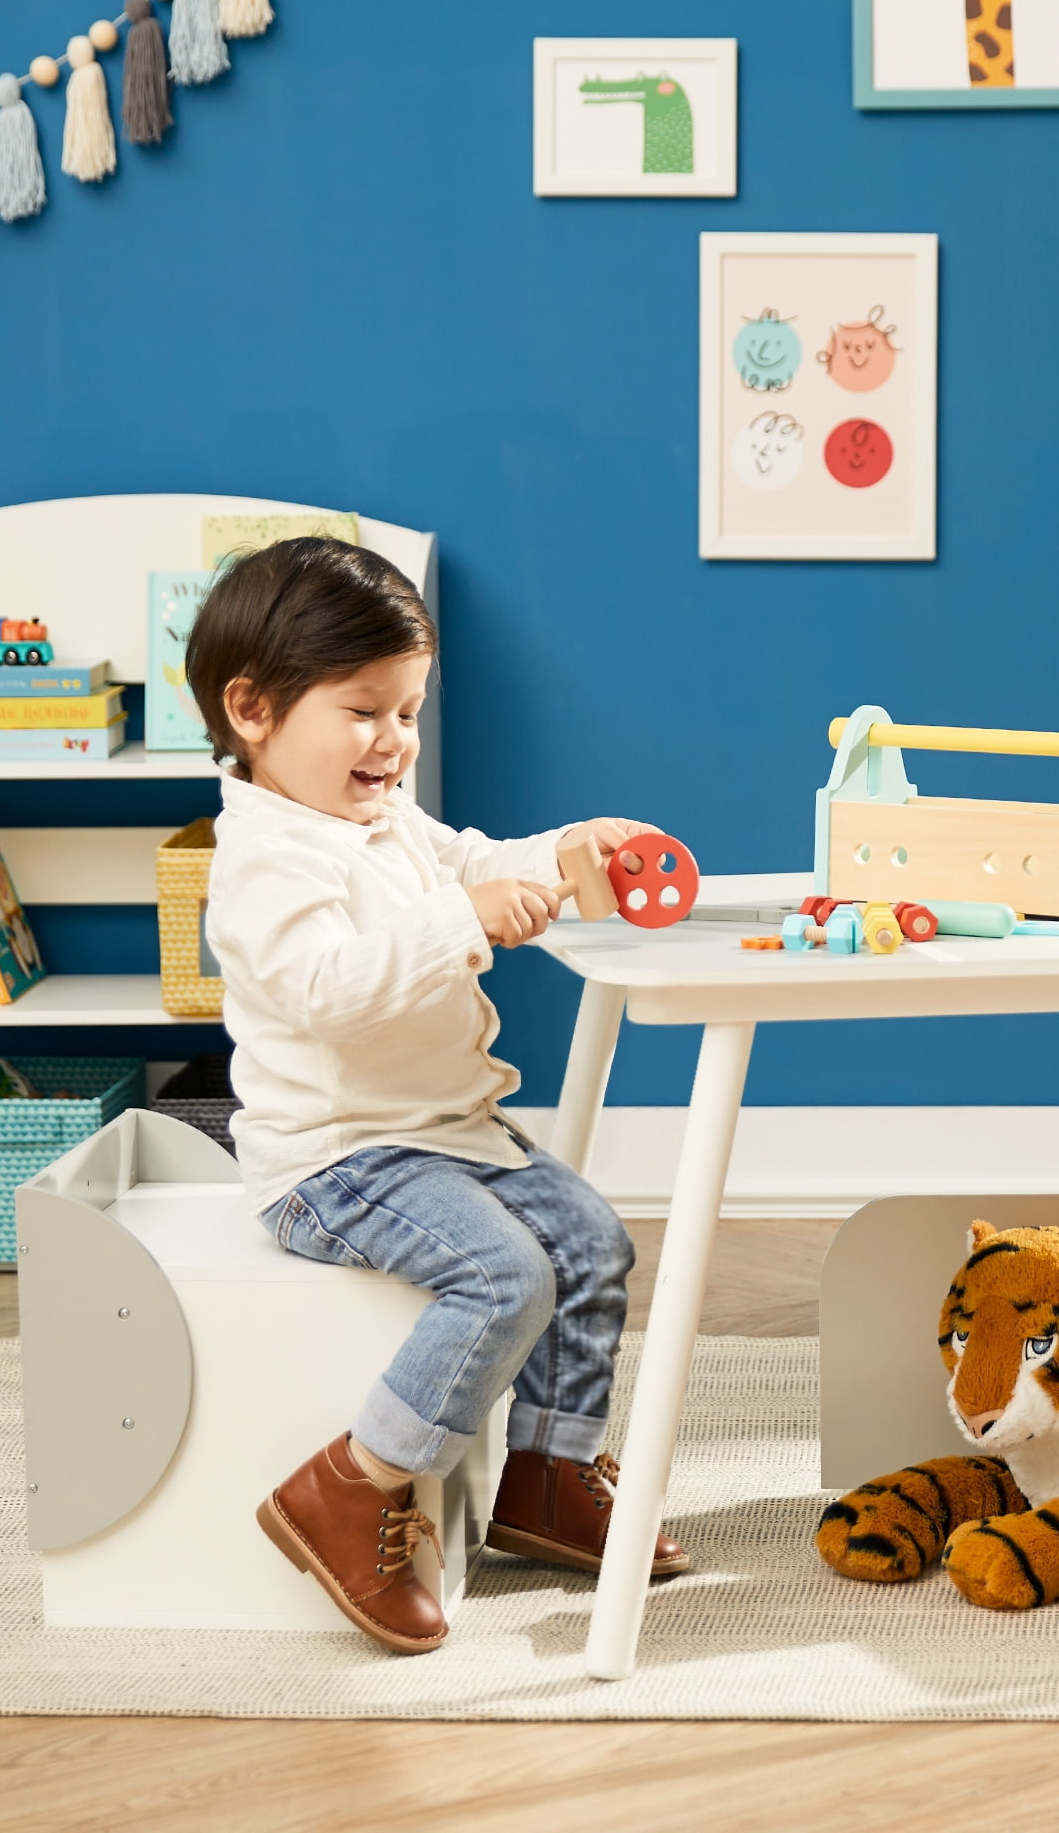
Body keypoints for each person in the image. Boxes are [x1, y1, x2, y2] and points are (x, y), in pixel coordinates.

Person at [185, 536, 685, 1656]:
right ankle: (355, 1482)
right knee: (504, 1274)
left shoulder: (382, 819)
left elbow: (471, 861)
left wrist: (566, 851)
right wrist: (465, 920)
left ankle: (548, 1476)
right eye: (365, 712)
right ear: (252, 710)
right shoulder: (267, 859)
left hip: (443, 1134)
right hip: (334, 1157)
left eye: (408, 711)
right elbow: (326, 990)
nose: (395, 741)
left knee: (591, 1240)